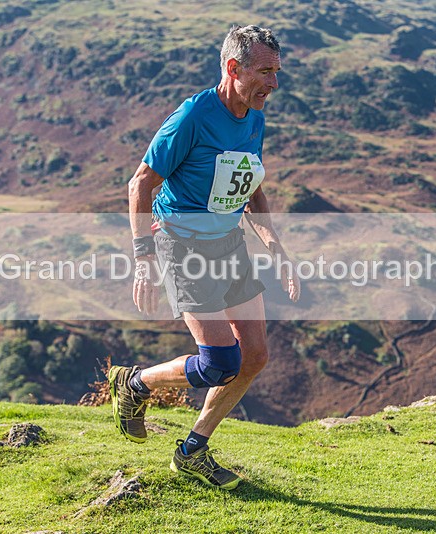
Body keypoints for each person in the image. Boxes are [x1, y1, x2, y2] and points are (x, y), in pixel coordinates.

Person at [109, 24, 300, 490]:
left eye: (277, 72)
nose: (274, 85)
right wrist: (143, 258)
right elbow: (140, 184)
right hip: (183, 247)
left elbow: (250, 182)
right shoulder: (192, 117)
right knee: (219, 362)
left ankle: (192, 451)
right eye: (265, 72)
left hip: (228, 244)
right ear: (233, 68)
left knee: (254, 356)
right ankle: (134, 385)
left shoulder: (254, 114)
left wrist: (274, 244)